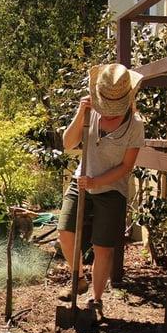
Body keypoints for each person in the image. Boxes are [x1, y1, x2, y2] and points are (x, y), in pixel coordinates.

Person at [57, 63, 144, 318]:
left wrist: (98, 182)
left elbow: (127, 167)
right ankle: (79, 278)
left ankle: (95, 300)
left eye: (112, 111)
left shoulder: (135, 125)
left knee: (103, 247)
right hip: (81, 182)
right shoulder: (91, 111)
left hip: (111, 189)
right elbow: (68, 143)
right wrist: (80, 113)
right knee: (65, 231)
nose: (106, 114)